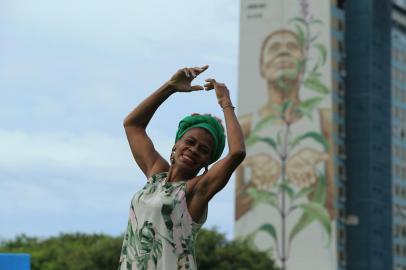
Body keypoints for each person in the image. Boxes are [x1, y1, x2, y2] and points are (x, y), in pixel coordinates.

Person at [118, 65, 246, 270]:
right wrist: (170, 87)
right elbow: (132, 125)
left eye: (203, 150)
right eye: (190, 142)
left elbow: (237, 153)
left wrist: (226, 104)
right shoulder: (156, 174)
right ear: (176, 144)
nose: (194, 150)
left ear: (207, 162)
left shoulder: (196, 190)